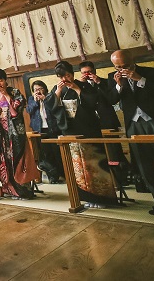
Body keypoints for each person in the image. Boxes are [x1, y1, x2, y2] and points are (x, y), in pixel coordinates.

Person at [106, 50, 154, 216]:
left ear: (132, 60)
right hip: (133, 125)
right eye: (117, 67)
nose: (121, 69)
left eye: (124, 66)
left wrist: (139, 79)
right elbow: (111, 100)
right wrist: (118, 85)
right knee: (145, 167)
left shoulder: (151, 72)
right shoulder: (112, 76)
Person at [45, 61, 116, 208]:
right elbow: (50, 107)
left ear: (72, 73)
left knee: (95, 165)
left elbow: (94, 103)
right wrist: (57, 93)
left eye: (68, 75)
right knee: (78, 169)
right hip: (70, 132)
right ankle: (85, 198)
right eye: (61, 77)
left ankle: (104, 199)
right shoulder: (58, 89)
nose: (65, 79)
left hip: (87, 130)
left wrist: (78, 89)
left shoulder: (84, 85)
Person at [0, 69, 39, 199]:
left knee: (18, 159)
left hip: (15, 131)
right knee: (3, 159)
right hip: (1, 132)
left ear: (5, 80)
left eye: (0, 80)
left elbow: (16, 112)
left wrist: (6, 95)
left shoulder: (14, 92)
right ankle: (8, 189)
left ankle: (23, 190)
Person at [25, 80, 62, 184]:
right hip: (39, 130)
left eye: (40, 88)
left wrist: (44, 99)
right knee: (46, 153)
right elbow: (29, 110)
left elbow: (53, 108)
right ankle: (52, 177)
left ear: (44, 89)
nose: (38, 91)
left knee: (56, 152)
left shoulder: (50, 96)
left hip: (52, 128)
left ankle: (60, 174)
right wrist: (36, 101)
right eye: (36, 89)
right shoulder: (32, 99)